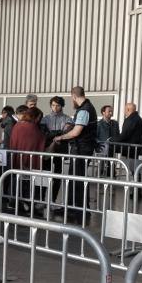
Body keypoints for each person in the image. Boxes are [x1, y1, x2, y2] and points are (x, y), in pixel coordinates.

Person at [52, 86, 98, 222]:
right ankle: (72, 207)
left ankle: (78, 210)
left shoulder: (84, 110)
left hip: (81, 149)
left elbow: (77, 132)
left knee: (77, 179)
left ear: (73, 96)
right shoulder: (87, 108)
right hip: (83, 148)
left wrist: (60, 137)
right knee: (75, 178)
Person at [9, 107, 46, 215]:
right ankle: (28, 204)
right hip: (29, 162)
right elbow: (40, 141)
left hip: (17, 159)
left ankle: (17, 203)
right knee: (27, 185)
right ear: (35, 116)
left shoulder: (17, 125)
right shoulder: (33, 128)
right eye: (39, 117)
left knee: (17, 183)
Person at [41, 96, 72, 203]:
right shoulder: (45, 118)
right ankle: (42, 199)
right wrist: (57, 134)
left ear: (62, 106)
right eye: (53, 105)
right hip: (48, 149)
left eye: (58, 105)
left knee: (57, 176)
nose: (55, 107)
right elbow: (44, 134)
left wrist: (57, 135)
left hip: (60, 149)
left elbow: (67, 133)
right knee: (45, 174)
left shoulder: (68, 118)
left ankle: (53, 200)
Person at [112, 102, 142, 178]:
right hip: (135, 149)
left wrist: (112, 140)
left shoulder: (131, 120)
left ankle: (136, 188)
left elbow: (124, 135)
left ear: (128, 109)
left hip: (130, 150)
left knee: (133, 170)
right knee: (135, 170)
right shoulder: (139, 119)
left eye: (124, 110)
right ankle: (136, 187)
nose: (124, 112)